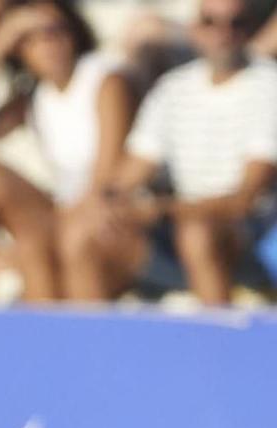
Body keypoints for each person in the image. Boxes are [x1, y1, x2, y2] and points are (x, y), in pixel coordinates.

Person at [0, 0, 136, 302]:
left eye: (55, 30)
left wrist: (17, 254)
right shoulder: (35, 94)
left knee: (39, 247)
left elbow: (104, 186)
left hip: (111, 222)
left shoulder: (106, 81)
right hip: (67, 216)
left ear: (74, 33)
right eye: (29, 37)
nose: (47, 43)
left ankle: (47, 331)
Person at [106, 0, 277, 305]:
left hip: (249, 233)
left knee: (197, 233)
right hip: (180, 223)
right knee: (84, 233)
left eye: (235, 23)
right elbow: (127, 175)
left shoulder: (269, 86)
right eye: (211, 22)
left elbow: (245, 200)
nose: (223, 33)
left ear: (249, 29)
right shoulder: (174, 88)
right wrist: (114, 204)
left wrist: (163, 210)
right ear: (196, 29)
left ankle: (217, 348)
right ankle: (84, 347)